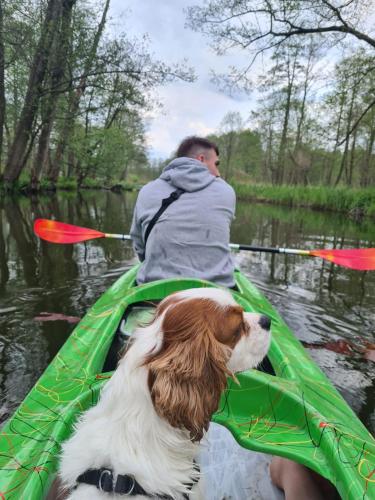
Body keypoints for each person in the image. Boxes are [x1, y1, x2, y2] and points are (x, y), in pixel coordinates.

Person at [130, 136, 236, 287]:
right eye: (216, 164)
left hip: (155, 290)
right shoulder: (226, 191)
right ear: (201, 159)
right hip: (216, 293)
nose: (218, 173)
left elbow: (139, 245)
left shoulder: (147, 190)